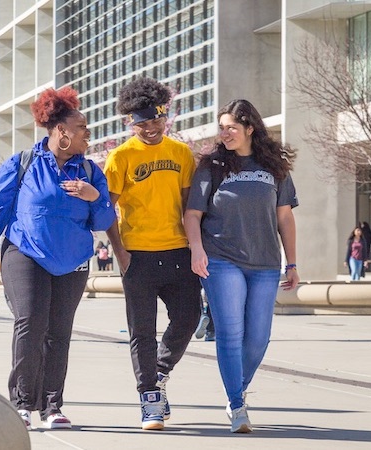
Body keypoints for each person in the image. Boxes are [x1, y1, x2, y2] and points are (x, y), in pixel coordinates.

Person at [0, 86, 116, 431]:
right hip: (25, 253)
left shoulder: (90, 172)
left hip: (72, 262)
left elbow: (105, 221)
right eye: (82, 128)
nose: (88, 134)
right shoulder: (22, 165)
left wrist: (95, 198)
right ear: (62, 132)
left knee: (58, 333)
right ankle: (21, 403)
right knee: (31, 322)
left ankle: (52, 407)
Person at [184, 99, 299, 433]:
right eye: (221, 127)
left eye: (231, 127)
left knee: (259, 337)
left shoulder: (274, 167)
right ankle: (237, 405)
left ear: (250, 128)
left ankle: (236, 385)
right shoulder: (212, 165)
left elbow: (285, 217)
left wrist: (292, 262)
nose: (225, 133)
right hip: (221, 259)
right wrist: (196, 250)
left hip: (264, 262)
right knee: (231, 333)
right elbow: (192, 214)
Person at [103, 77, 202, 430]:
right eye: (141, 122)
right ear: (131, 122)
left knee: (190, 318)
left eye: (155, 120)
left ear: (166, 116)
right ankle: (150, 400)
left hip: (178, 253)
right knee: (141, 332)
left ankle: (160, 371)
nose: (149, 128)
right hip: (138, 257)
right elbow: (106, 211)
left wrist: (196, 247)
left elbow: (191, 205)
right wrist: (120, 252)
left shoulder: (181, 153)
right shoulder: (120, 157)